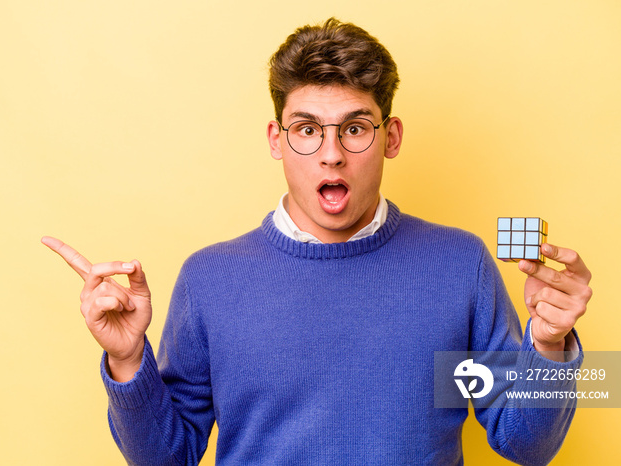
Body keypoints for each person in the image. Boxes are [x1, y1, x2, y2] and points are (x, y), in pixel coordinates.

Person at [42, 18, 592, 465]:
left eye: (355, 128)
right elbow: (168, 457)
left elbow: (527, 445)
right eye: (307, 129)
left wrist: (548, 347)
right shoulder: (209, 278)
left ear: (390, 137)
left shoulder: (459, 263)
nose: (331, 154)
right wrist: (127, 359)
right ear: (277, 141)